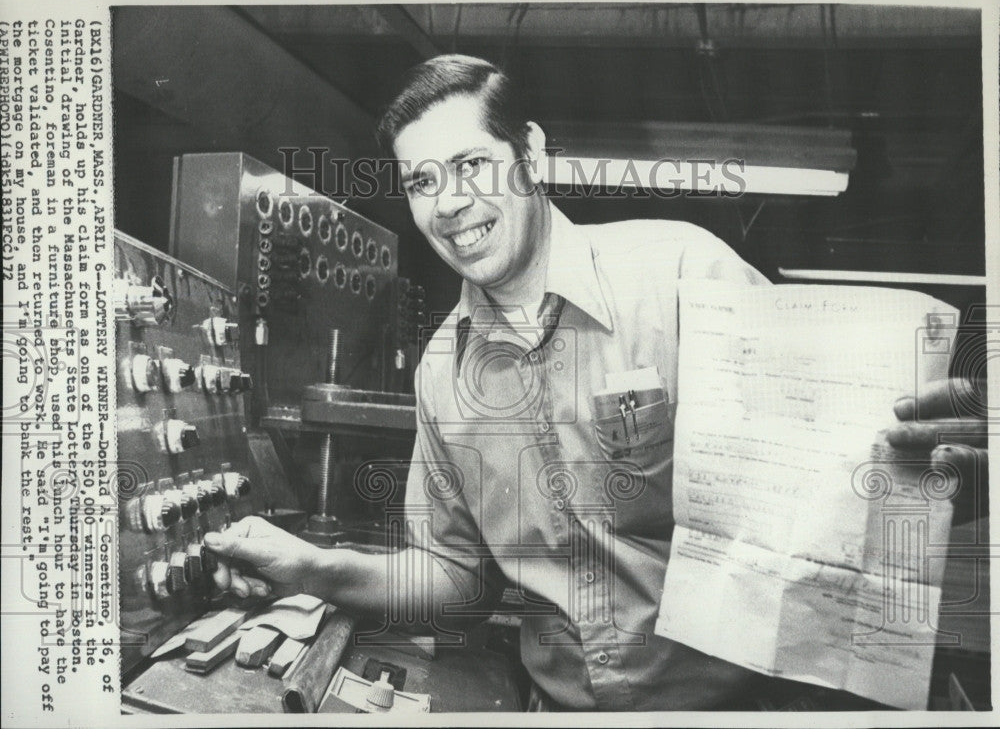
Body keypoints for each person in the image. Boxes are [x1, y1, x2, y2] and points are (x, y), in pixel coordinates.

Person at [205, 55, 989, 711]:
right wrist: (310, 565)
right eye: (422, 181)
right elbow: (456, 577)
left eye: (472, 164)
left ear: (533, 152)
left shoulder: (686, 274)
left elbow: (840, 489)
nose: (450, 203)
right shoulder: (444, 371)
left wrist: (947, 477)